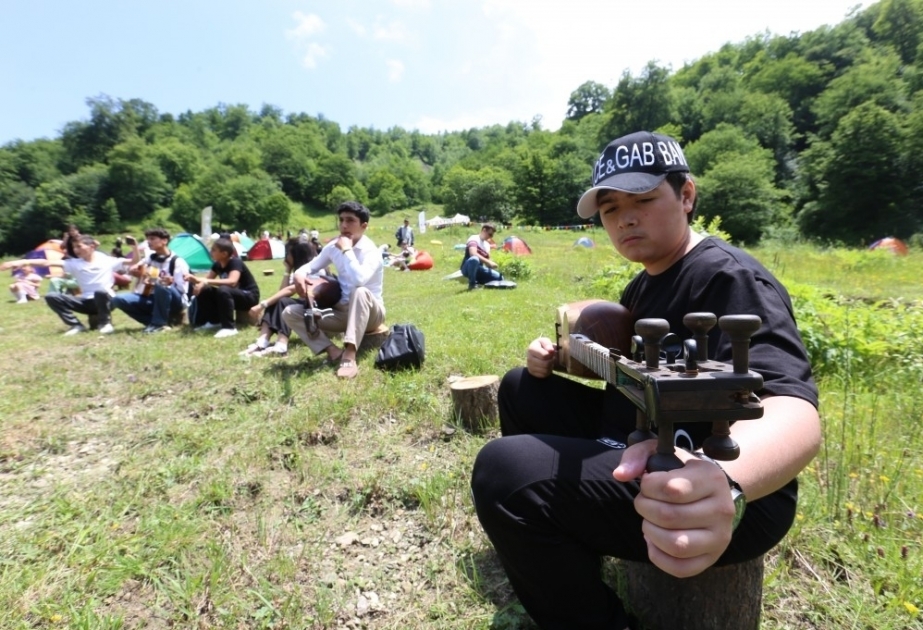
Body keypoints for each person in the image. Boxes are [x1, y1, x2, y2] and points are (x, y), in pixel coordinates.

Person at [470, 130, 821, 630]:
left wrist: (726, 485)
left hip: (712, 493)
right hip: (640, 439)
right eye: (610, 209)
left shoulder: (730, 278)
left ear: (686, 195)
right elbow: (637, 366)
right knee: (521, 387)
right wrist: (557, 357)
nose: (625, 218)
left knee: (504, 473)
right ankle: (561, 548)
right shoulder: (646, 278)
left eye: (643, 199)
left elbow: (794, 408)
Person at [282, 201, 385, 379]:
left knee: (359, 291)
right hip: (341, 313)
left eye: (350, 220)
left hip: (370, 313)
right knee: (290, 312)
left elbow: (358, 280)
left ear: (364, 226)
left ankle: (349, 355)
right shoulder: (333, 247)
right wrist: (299, 274)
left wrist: (347, 250)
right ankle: (331, 350)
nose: (344, 225)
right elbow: (311, 266)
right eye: (341, 220)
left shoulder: (371, 251)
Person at [0, 235, 134, 335]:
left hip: (106, 300)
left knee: (100, 291)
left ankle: (105, 324)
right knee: (52, 296)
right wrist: (19, 262)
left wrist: (134, 247)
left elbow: (133, 261)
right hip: (85, 301)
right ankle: (76, 325)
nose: (76, 250)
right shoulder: (74, 263)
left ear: (92, 246)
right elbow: (46, 263)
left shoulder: (107, 260)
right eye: (75, 247)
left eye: (79, 246)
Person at [240, 237, 318, 357]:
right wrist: (288, 270)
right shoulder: (299, 271)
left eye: (288, 253)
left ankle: (281, 346)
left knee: (283, 302)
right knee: (278, 300)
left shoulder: (316, 267)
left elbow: (291, 290)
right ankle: (262, 342)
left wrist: (262, 305)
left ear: (297, 255)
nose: (286, 257)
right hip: (307, 304)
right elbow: (282, 291)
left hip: (319, 307)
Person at [110, 228, 190, 333]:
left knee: (161, 284)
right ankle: (153, 322)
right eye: (148, 239)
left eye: (152, 239)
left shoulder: (177, 262)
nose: (149, 242)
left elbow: (182, 289)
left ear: (164, 241)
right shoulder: (150, 258)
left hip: (174, 301)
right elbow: (136, 267)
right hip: (150, 297)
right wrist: (135, 271)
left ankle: (159, 324)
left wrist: (166, 282)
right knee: (118, 299)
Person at [184, 237, 260, 338]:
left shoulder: (235, 262)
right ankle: (214, 321)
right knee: (205, 289)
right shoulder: (217, 265)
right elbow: (207, 280)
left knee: (223, 289)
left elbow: (232, 282)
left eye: (214, 250)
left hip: (249, 296)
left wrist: (204, 281)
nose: (211, 252)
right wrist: (199, 284)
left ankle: (229, 328)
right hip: (232, 295)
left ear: (224, 254)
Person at [460, 223, 502, 290]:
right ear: (484, 230)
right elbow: (473, 254)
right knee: (474, 259)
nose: (490, 237)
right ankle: (472, 285)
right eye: (490, 234)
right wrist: (488, 262)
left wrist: (492, 264)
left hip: (479, 269)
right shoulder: (474, 238)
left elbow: (488, 262)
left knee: (499, 277)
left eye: (492, 235)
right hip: (467, 267)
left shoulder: (487, 245)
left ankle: (479, 283)